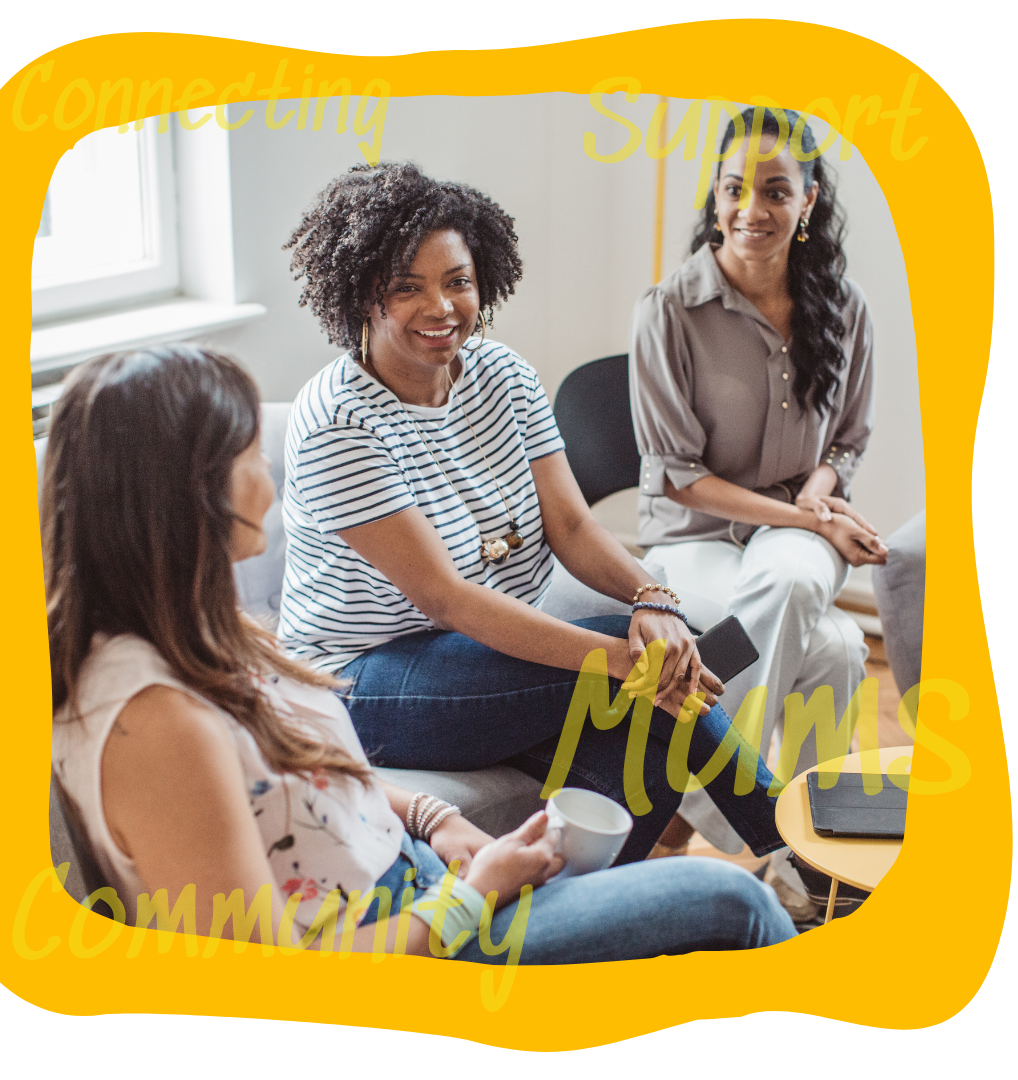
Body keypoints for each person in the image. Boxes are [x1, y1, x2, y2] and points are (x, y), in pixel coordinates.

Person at [46, 345, 796, 959]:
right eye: (246, 456)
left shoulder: (205, 631)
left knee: (645, 715)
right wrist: (474, 896)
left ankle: (791, 854)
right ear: (181, 492)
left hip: (429, 877)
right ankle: (793, 854)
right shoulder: (153, 723)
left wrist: (437, 819)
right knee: (731, 900)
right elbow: (269, 982)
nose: (267, 476)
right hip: (415, 940)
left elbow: (312, 773)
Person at [278, 162, 790, 866]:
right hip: (362, 684)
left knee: (660, 704)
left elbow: (573, 527)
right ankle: (792, 842)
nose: (442, 307)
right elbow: (447, 599)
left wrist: (655, 597)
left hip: (483, 664)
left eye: (457, 281)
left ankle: (580, 902)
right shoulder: (337, 422)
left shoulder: (503, 375)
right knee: (651, 670)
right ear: (361, 291)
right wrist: (625, 656)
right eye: (407, 287)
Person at [629, 107, 888, 861]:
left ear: (808, 202)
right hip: (692, 536)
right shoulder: (667, 310)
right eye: (735, 187)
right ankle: (801, 854)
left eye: (776, 190)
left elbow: (847, 439)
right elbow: (677, 477)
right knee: (838, 646)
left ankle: (685, 808)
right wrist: (814, 521)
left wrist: (817, 494)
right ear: (715, 194)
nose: (752, 208)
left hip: (794, 527)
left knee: (791, 589)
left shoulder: (845, 308)